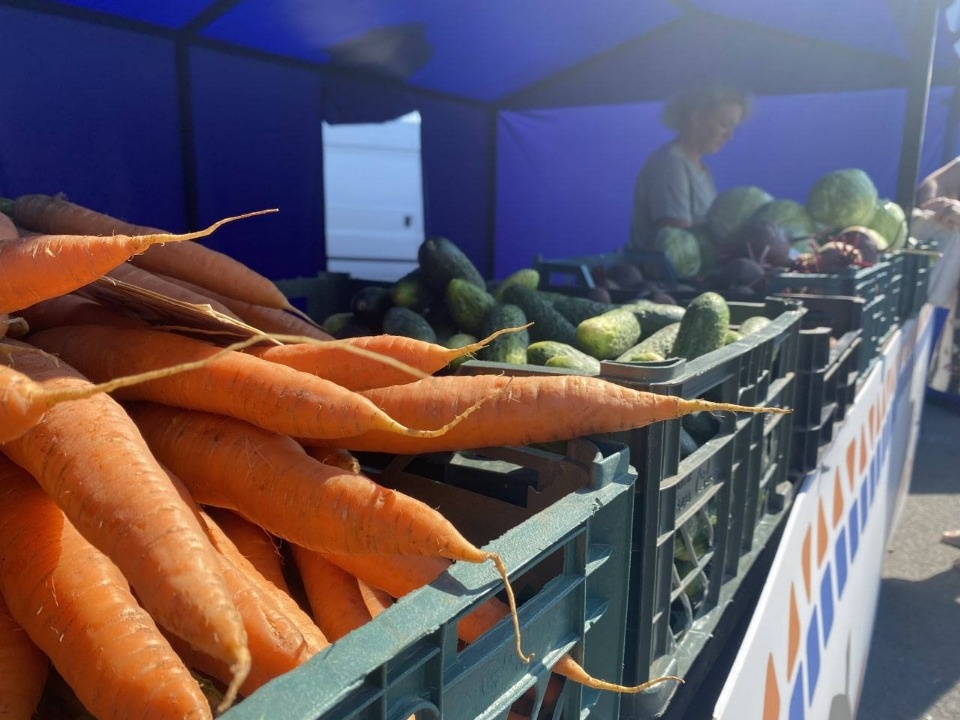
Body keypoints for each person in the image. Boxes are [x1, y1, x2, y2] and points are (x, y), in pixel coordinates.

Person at [627, 84, 751, 252]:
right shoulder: (670, 164)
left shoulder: (701, 170)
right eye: (724, 124)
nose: (729, 136)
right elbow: (677, 241)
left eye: (733, 127)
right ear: (697, 118)